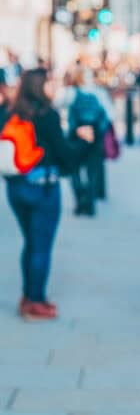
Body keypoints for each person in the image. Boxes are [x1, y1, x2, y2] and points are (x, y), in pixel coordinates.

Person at [4, 68, 92, 320]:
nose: (55, 88)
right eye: (50, 84)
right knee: (41, 246)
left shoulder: (11, 112)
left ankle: (28, 295)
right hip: (42, 190)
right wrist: (83, 141)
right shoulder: (47, 116)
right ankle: (35, 301)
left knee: (30, 243)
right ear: (39, 87)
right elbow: (66, 156)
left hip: (16, 188)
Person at [65, 68, 109, 216]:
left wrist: (77, 130)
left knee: (74, 171)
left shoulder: (70, 93)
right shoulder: (100, 93)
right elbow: (108, 116)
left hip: (76, 138)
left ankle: (80, 200)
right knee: (92, 173)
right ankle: (90, 203)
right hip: (95, 138)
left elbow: (65, 115)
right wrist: (97, 133)